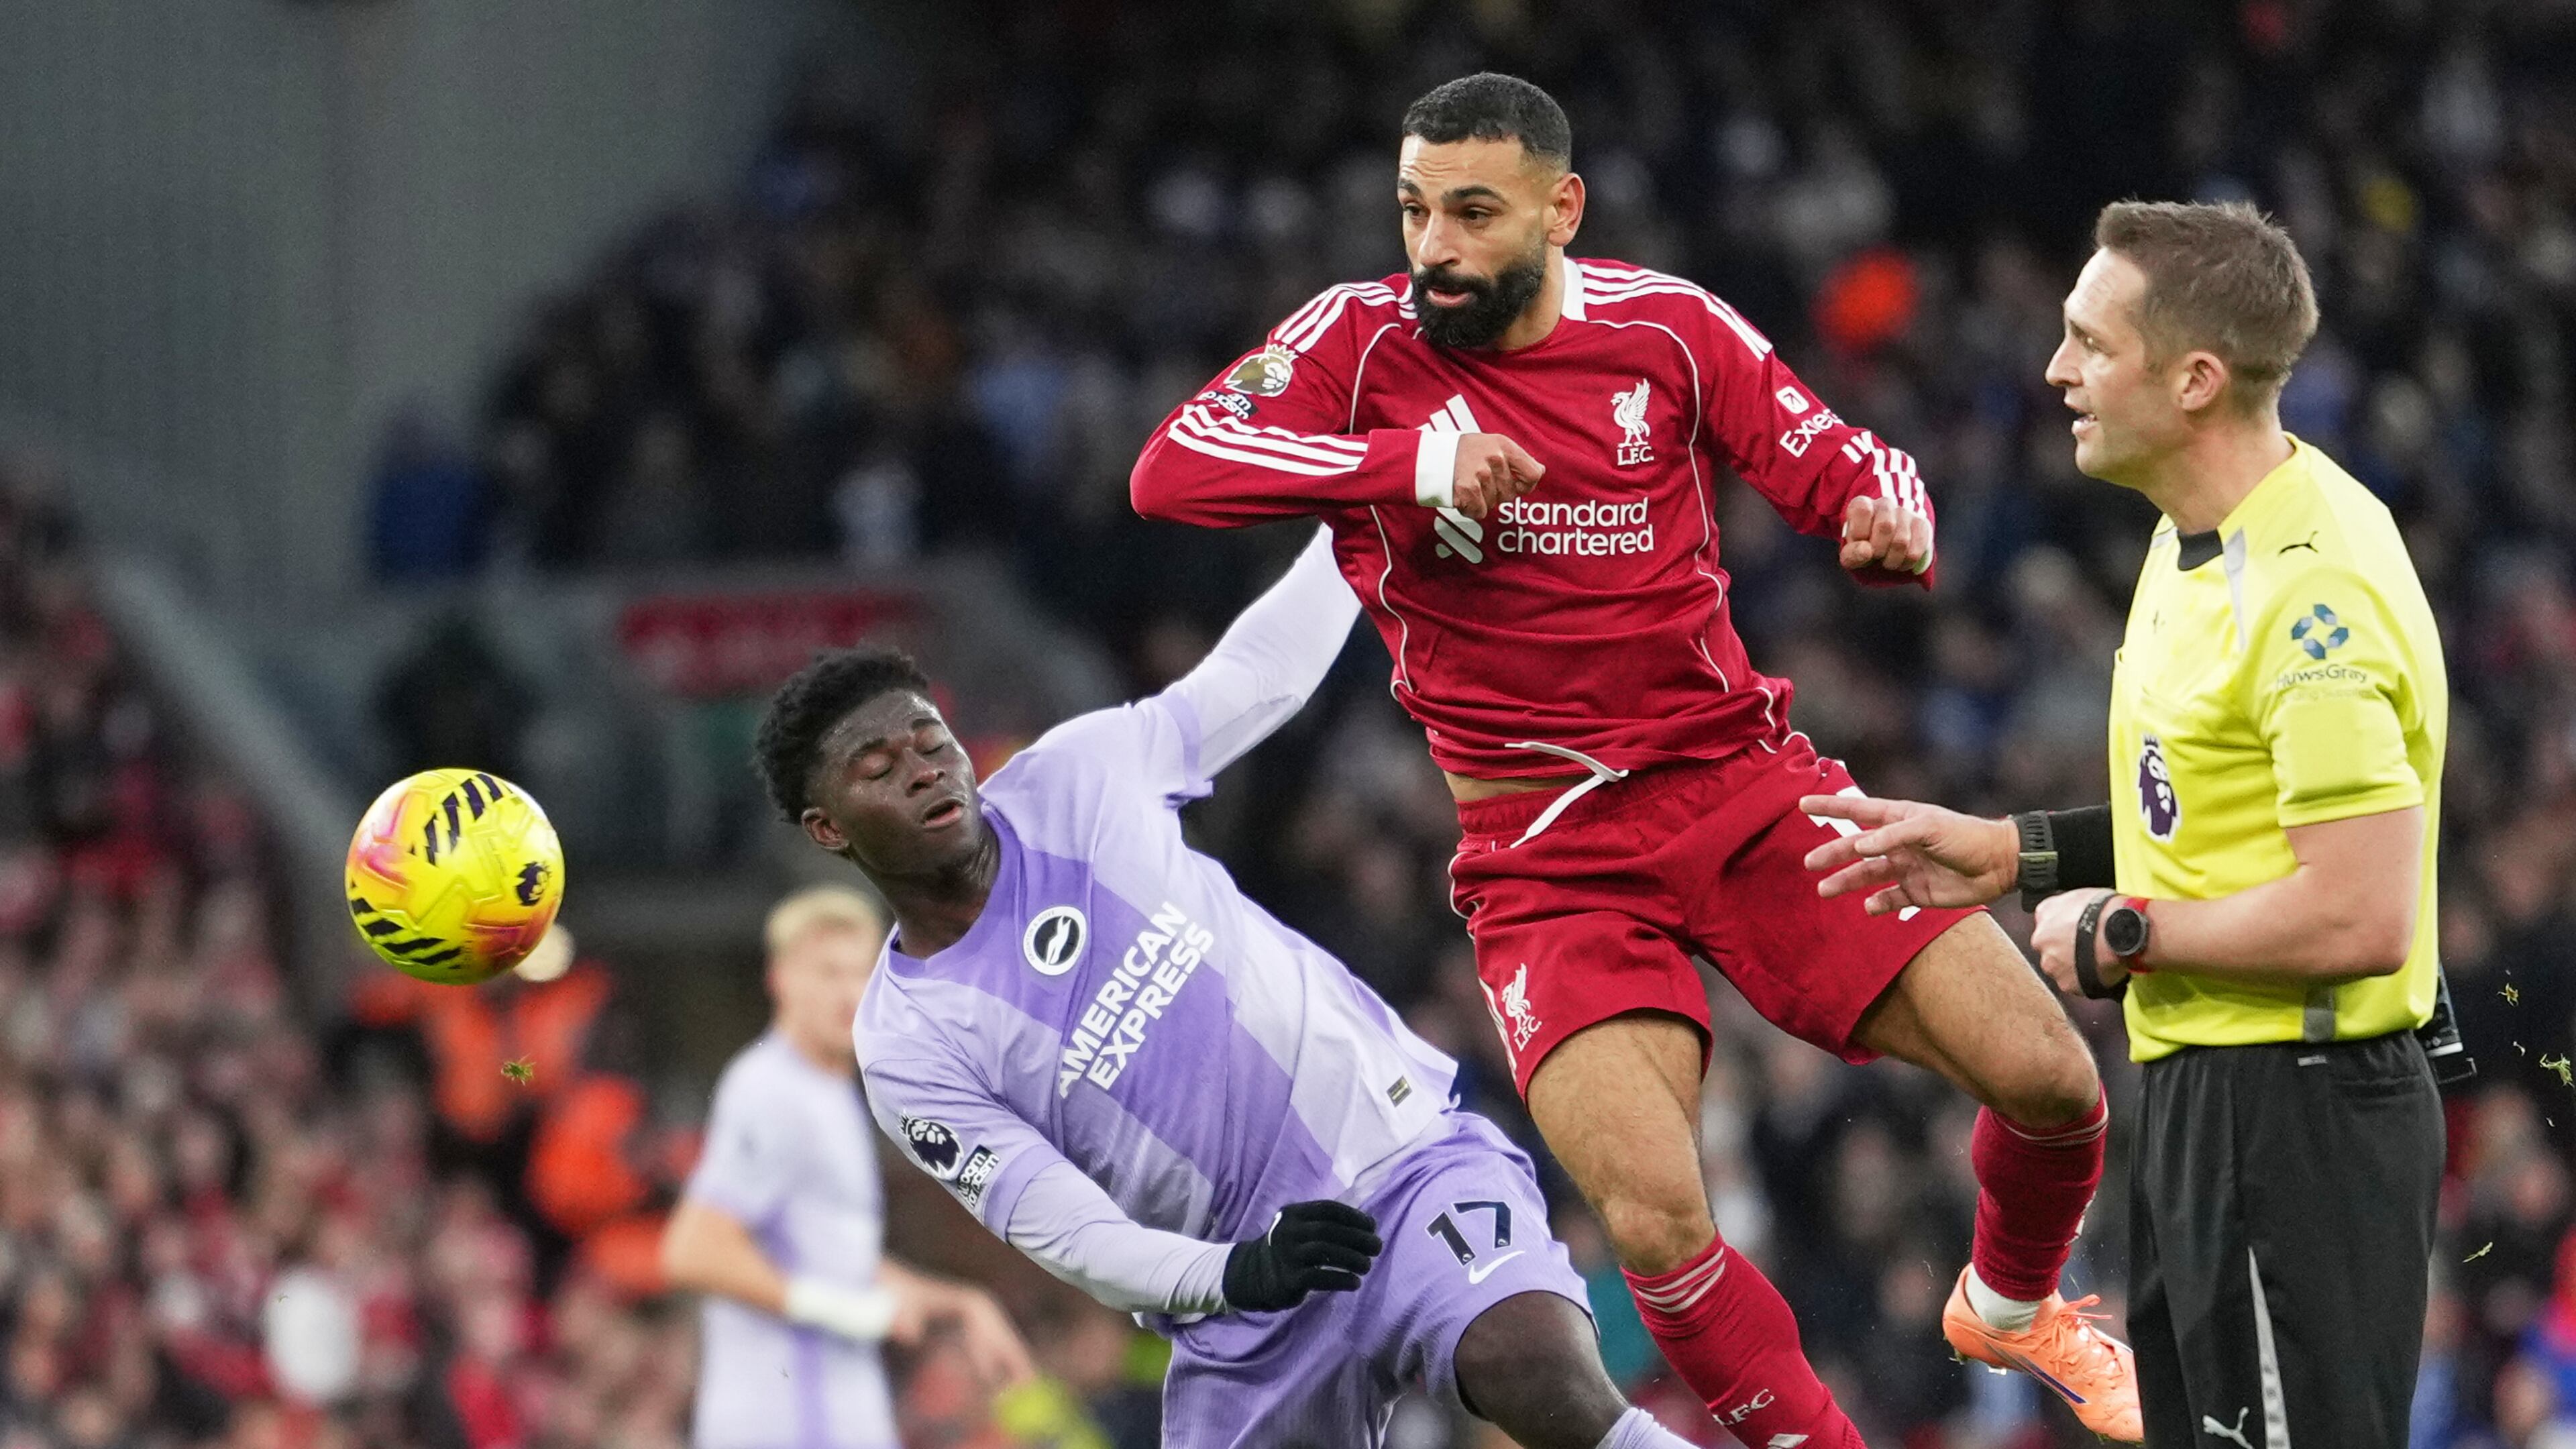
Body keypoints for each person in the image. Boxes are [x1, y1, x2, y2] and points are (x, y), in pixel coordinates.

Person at [1127, 72, 2135, 1443]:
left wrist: (1887, 517)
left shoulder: (1666, 328)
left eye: (1474, 213)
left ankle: (2013, 1312)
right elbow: (1175, 468)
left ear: (1562, 209)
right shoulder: (1359, 345)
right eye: (1416, 210)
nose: (1436, 249)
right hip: (1545, 856)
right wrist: (1406, 467)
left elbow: (1844, 458)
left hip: (1745, 787)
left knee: (2056, 1086)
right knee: (1658, 1217)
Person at [752, 528, 1704, 1449]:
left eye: (929, 741)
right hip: (1242, 1296)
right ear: (830, 829)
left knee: (1528, 1363)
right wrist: (1234, 1273)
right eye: (879, 771)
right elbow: (1065, 1228)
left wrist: (1360, 524)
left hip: (1397, 1157)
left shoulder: (1077, 777)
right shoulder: (906, 1042)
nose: (923, 773)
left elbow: (1257, 681)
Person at [1802, 199, 2448, 1448]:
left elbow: (2366, 911)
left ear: (2196, 379)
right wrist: (2011, 853)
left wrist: (2133, 932)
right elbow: (2208, 809)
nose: (2057, 372)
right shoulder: (2190, 539)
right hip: (2210, 1094)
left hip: (2299, 1114)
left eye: (2091, 344)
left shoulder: (2313, 596)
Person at [661, 885, 1036, 1449]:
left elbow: (833, 1259)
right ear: (781, 978)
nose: (848, 991)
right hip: (785, 1424)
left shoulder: (832, 1092)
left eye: (862, 972)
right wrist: (853, 1311)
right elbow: (693, 1250)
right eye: (827, 972)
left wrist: (959, 1303)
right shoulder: (769, 1089)